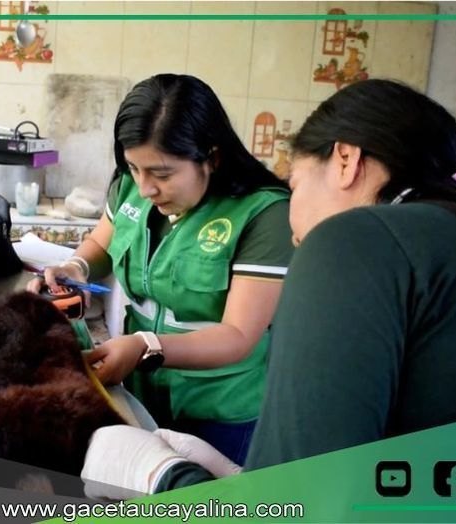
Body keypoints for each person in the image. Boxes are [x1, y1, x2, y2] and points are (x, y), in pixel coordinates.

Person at [79, 79, 456, 495]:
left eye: (296, 184)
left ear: (346, 161)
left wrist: (164, 479)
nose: (292, 221)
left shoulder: (353, 241)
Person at [27, 74, 293, 464]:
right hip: (140, 390)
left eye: (162, 174)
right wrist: (77, 266)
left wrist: (145, 346)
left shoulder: (264, 214)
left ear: (212, 158)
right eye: (134, 168)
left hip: (219, 409)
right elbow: (102, 242)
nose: (146, 187)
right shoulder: (132, 185)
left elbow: (238, 335)